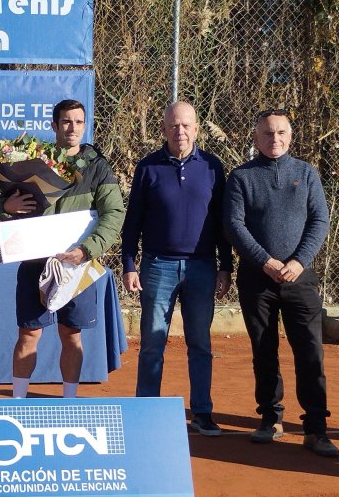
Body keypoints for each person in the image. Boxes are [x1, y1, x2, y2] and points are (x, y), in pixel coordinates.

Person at [223, 108, 338, 457]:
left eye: (282, 133)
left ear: (291, 135)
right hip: (257, 281)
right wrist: (266, 262)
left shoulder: (306, 174)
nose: (275, 139)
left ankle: (316, 428)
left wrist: (297, 262)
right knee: (264, 350)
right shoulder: (241, 177)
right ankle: (270, 418)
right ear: (256, 137)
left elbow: (320, 220)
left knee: (310, 351)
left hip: (299, 280)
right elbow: (234, 225)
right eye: (268, 133)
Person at [0, 99, 125, 399]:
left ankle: (68, 401)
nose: (73, 128)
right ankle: (18, 402)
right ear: (54, 126)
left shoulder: (97, 167)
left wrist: (86, 250)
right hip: (35, 262)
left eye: (79, 122)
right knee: (29, 335)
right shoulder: (33, 161)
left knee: (72, 335)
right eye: (66, 121)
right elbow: (5, 208)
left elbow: (114, 213)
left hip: (77, 266)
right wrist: (5, 206)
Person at [121, 101, 232, 437]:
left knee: (200, 342)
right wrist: (129, 264)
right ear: (164, 129)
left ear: (196, 129)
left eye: (186, 126)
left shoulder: (213, 168)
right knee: (153, 342)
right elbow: (133, 222)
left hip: (202, 267)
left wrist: (226, 266)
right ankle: (147, 410)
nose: (180, 131)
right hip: (158, 266)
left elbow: (221, 223)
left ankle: (202, 412)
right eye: (173, 125)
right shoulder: (148, 167)